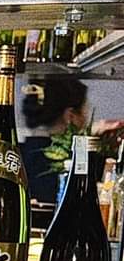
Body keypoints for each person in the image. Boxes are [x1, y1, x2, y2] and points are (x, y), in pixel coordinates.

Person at [20, 72, 89, 204]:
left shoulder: (19, 152)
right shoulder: (67, 163)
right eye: (85, 113)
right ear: (70, 116)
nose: (86, 120)